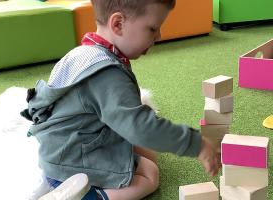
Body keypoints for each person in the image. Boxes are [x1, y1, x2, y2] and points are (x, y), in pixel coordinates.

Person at [21, 0, 221, 199]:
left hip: (62, 148)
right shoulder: (107, 74)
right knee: (150, 175)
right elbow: (141, 128)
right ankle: (87, 196)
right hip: (72, 161)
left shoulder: (83, 52)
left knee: (148, 153)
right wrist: (197, 144)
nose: (158, 36)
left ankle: (60, 180)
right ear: (118, 24)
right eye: (152, 28)